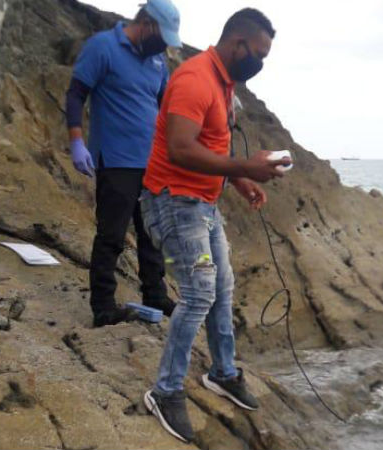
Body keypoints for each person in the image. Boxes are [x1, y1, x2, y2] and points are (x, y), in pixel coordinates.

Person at [140, 8, 288, 443]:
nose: (259, 63)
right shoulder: (194, 79)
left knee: (223, 286)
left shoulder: (224, 84)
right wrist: (246, 165)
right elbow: (182, 149)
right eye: (258, 53)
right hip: (171, 203)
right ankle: (165, 391)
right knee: (199, 292)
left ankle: (222, 372)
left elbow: (212, 146)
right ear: (237, 43)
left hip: (203, 204)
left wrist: (241, 181)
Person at [65, 0, 181, 327]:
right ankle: (103, 306)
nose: (163, 45)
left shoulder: (157, 60)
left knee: (151, 235)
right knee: (111, 235)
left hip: (153, 163)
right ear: (145, 23)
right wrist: (76, 141)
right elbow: (76, 94)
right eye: (161, 36)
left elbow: (168, 105)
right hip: (115, 160)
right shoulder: (103, 47)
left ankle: (155, 294)